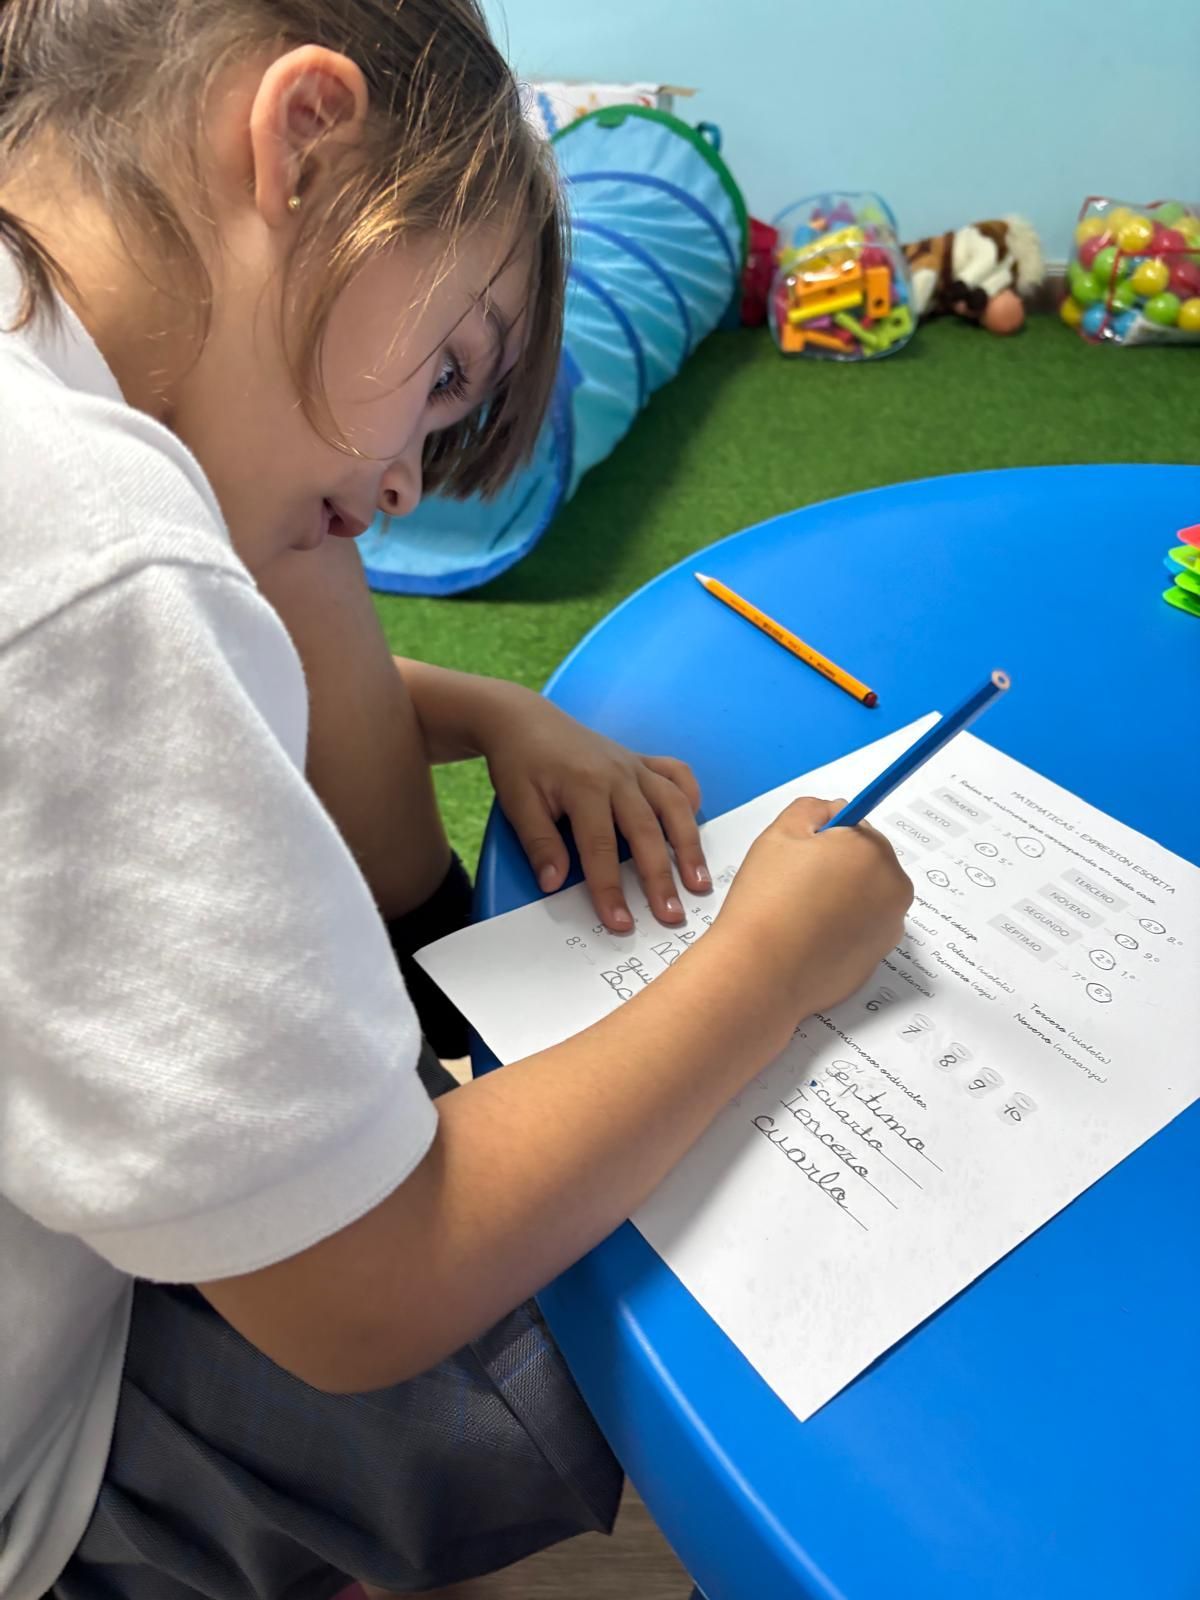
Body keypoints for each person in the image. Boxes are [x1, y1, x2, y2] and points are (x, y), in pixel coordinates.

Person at [0, 2, 914, 1596]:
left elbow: (132, 735)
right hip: (47, 1471)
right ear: (302, 138)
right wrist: (764, 968)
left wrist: (489, 706)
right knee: (651, 1266)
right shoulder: (94, 544)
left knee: (304, 517)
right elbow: (374, 1292)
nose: (417, 477)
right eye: (447, 374)